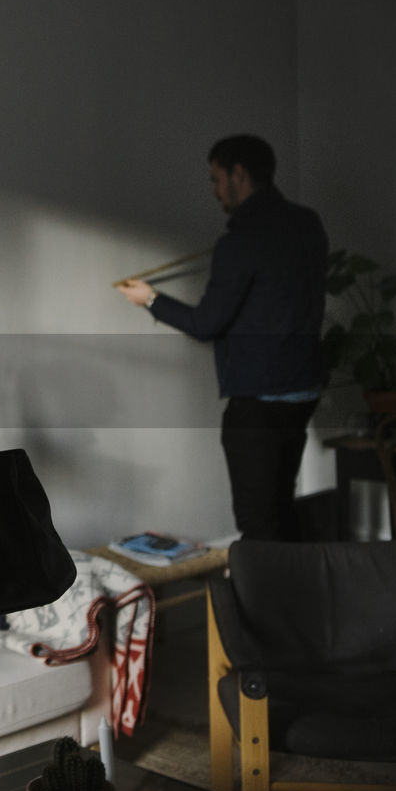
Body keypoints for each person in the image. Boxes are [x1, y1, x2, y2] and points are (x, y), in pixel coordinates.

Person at [117, 134, 328, 540]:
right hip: (303, 389)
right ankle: (297, 593)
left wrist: (150, 298)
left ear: (239, 174)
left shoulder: (240, 241)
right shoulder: (307, 224)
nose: (214, 191)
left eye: (216, 179)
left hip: (260, 401)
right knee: (281, 507)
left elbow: (205, 324)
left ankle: (269, 602)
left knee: (256, 520)